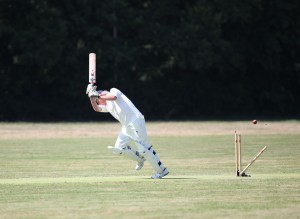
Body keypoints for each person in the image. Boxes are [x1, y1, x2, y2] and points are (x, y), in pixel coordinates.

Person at [86, 84, 169, 179]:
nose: (98, 102)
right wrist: (91, 97)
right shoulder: (108, 106)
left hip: (135, 122)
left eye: (98, 100)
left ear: (102, 94)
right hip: (126, 127)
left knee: (145, 149)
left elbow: (113, 97)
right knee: (118, 148)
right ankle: (140, 159)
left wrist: (96, 95)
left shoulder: (113, 91)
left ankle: (162, 170)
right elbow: (96, 108)